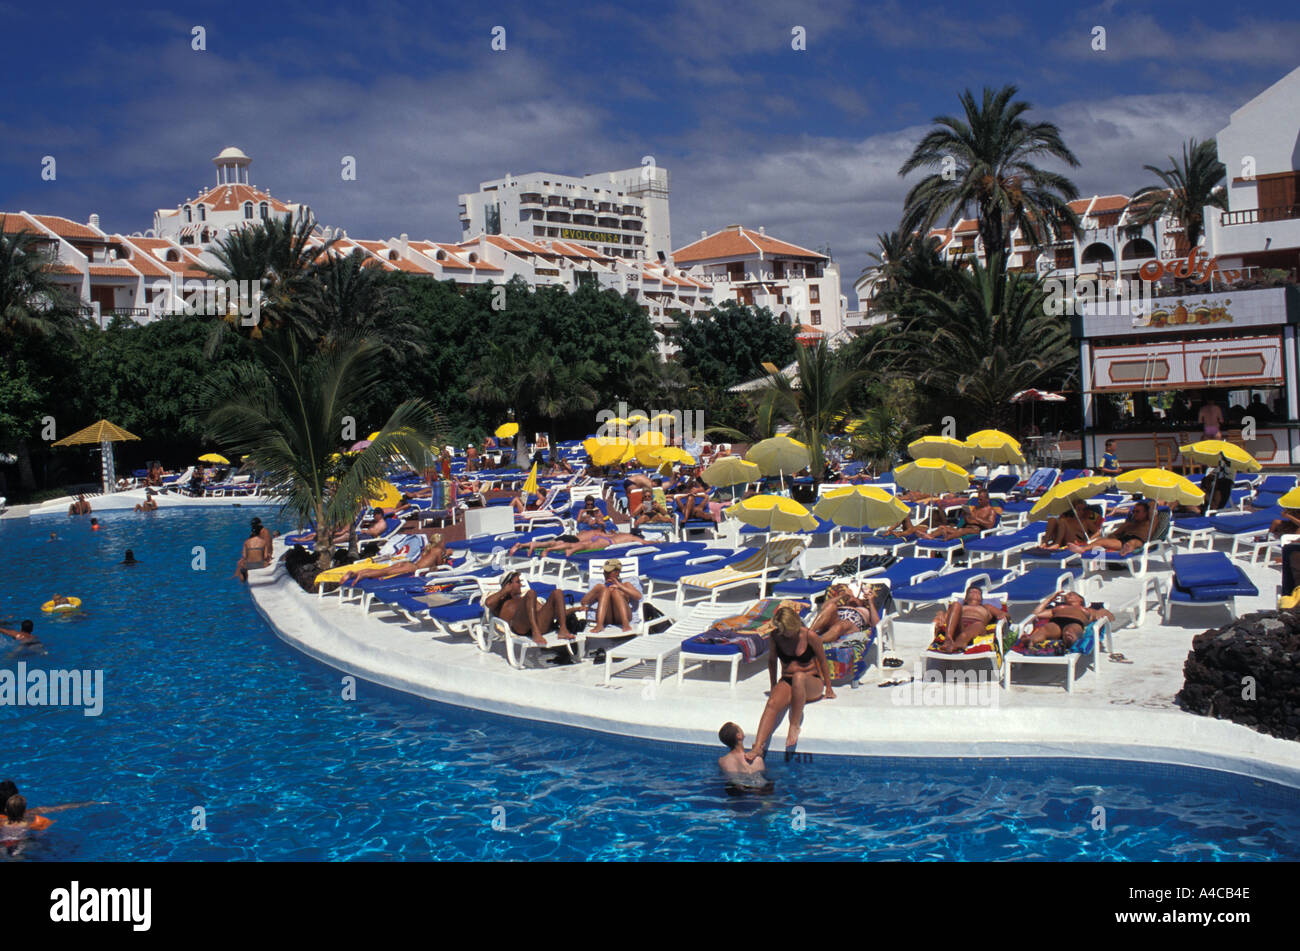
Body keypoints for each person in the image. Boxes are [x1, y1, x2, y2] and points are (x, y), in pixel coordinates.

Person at [747, 605, 834, 759]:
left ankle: (794, 725)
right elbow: (772, 661)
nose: (785, 634)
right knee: (773, 702)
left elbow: (822, 660)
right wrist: (773, 685)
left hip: (811, 682)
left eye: (787, 630)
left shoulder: (810, 636)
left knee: (799, 677)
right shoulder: (776, 636)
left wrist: (828, 687)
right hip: (788, 680)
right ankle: (757, 746)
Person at [484, 571, 575, 647]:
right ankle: (535, 632)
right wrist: (504, 591)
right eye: (518, 582)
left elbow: (550, 613)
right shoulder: (501, 602)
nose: (521, 584)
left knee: (558, 592)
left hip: (539, 625)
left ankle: (563, 630)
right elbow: (488, 603)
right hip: (519, 627)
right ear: (508, 585)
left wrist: (575, 609)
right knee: (531, 593)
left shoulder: (525, 599)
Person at [334, 534, 451, 585]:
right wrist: (447, 556)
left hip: (408, 563)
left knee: (385, 570)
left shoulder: (429, 549)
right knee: (384, 572)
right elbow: (440, 566)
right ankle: (362, 576)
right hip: (413, 568)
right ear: (440, 543)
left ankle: (355, 573)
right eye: (444, 542)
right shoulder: (438, 551)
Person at [1020, 590, 1115, 650]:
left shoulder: (1087, 610)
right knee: (1044, 629)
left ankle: (1068, 643)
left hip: (1075, 622)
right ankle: (1030, 641)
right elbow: (1036, 614)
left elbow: (1111, 617)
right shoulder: (1059, 608)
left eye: (1073, 594)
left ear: (1080, 600)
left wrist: (1102, 612)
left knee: (1070, 632)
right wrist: (1049, 599)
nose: (1069, 595)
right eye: (1067, 595)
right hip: (1056, 623)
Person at [932, 586, 1009, 654]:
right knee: (955, 604)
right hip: (959, 627)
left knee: (978, 624)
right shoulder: (960, 607)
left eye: (978, 593)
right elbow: (945, 618)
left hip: (976, 628)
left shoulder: (986, 607)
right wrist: (941, 614)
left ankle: (959, 643)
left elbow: (1004, 614)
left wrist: (1002, 615)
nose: (975, 592)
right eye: (971, 592)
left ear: (981, 600)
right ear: (965, 599)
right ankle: (948, 639)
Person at [1067, 500, 1153, 555]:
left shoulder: (1149, 522)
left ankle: (1128, 549)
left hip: (1139, 541)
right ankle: (1082, 549)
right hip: (1123, 541)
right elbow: (1114, 534)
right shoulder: (1129, 523)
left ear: (1146, 513)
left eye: (1137, 511)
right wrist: (1112, 539)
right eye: (1133, 511)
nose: (1134, 513)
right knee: (1101, 541)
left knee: (1133, 542)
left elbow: (1153, 505)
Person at [580, 559, 642, 634]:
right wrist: (597, 590)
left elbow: (639, 596)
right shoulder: (600, 587)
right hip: (607, 618)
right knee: (604, 590)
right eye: (604, 572)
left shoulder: (626, 585)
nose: (605, 574)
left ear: (617, 572)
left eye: (608, 572)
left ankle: (625, 623)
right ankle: (599, 625)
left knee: (615, 592)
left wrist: (620, 587)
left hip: (622, 617)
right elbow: (584, 602)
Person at [808, 583, 879, 645]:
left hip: (851, 625)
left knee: (841, 625)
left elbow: (876, 625)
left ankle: (816, 642)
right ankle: (809, 634)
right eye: (850, 598)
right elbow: (824, 607)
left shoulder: (866, 610)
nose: (852, 599)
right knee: (831, 606)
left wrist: (871, 602)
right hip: (834, 620)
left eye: (855, 598)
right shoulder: (843, 605)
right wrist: (842, 595)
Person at [717, 722, 769, 787]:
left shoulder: (722, 761)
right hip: (759, 786)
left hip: (736, 787)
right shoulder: (757, 759)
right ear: (739, 736)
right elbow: (762, 774)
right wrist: (760, 755)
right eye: (740, 728)